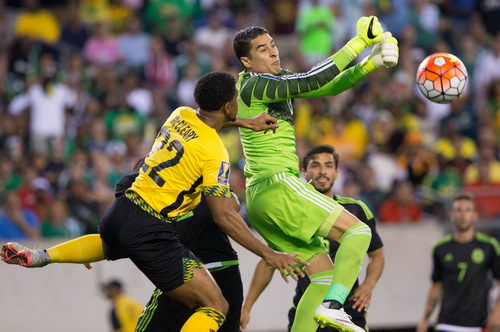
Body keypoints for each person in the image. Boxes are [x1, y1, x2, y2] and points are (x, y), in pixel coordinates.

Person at [2, 71, 307, 332]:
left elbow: (207, 123)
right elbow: (224, 215)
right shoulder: (216, 154)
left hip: (122, 210)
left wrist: (244, 123)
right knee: (216, 305)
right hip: (153, 230)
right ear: (229, 104)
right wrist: (269, 254)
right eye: (235, 99)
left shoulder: (180, 114)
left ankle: (42, 256)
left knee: (107, 246)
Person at [233, 16, 398, 332]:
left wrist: (369, 64)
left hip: (261, 198)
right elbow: (311, 79)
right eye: (262, 50)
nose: (273, 53)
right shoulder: (256, 84)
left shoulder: (271, 82)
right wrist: (359, 44)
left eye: (273, 45)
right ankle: (337, 306)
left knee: (322, 276)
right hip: (278, 184)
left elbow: (327, 85)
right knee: (359, 232)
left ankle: (323, 306)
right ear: (246, 60)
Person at [240, 145, 385, 332]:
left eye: (329, 166)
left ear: (337, 173)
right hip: (306, 305)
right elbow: (269, 261)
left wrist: (368, 285)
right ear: (303, 172)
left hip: (348, 310)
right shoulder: (290, 211)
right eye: (315, 165)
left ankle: (334, 304)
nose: (322, 171)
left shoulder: (356, 210)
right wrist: (247, 307)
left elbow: (377, 255)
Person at [416, 192, 500, 332]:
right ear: (452, 215)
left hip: (478, 324)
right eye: (458, 210)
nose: (463, 215)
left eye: (468, 210)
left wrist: (498, 310)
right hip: (447, 323)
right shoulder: (440, 248)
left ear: (475, 215)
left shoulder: (488, 246)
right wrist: (425, 319)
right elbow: (436, 285)